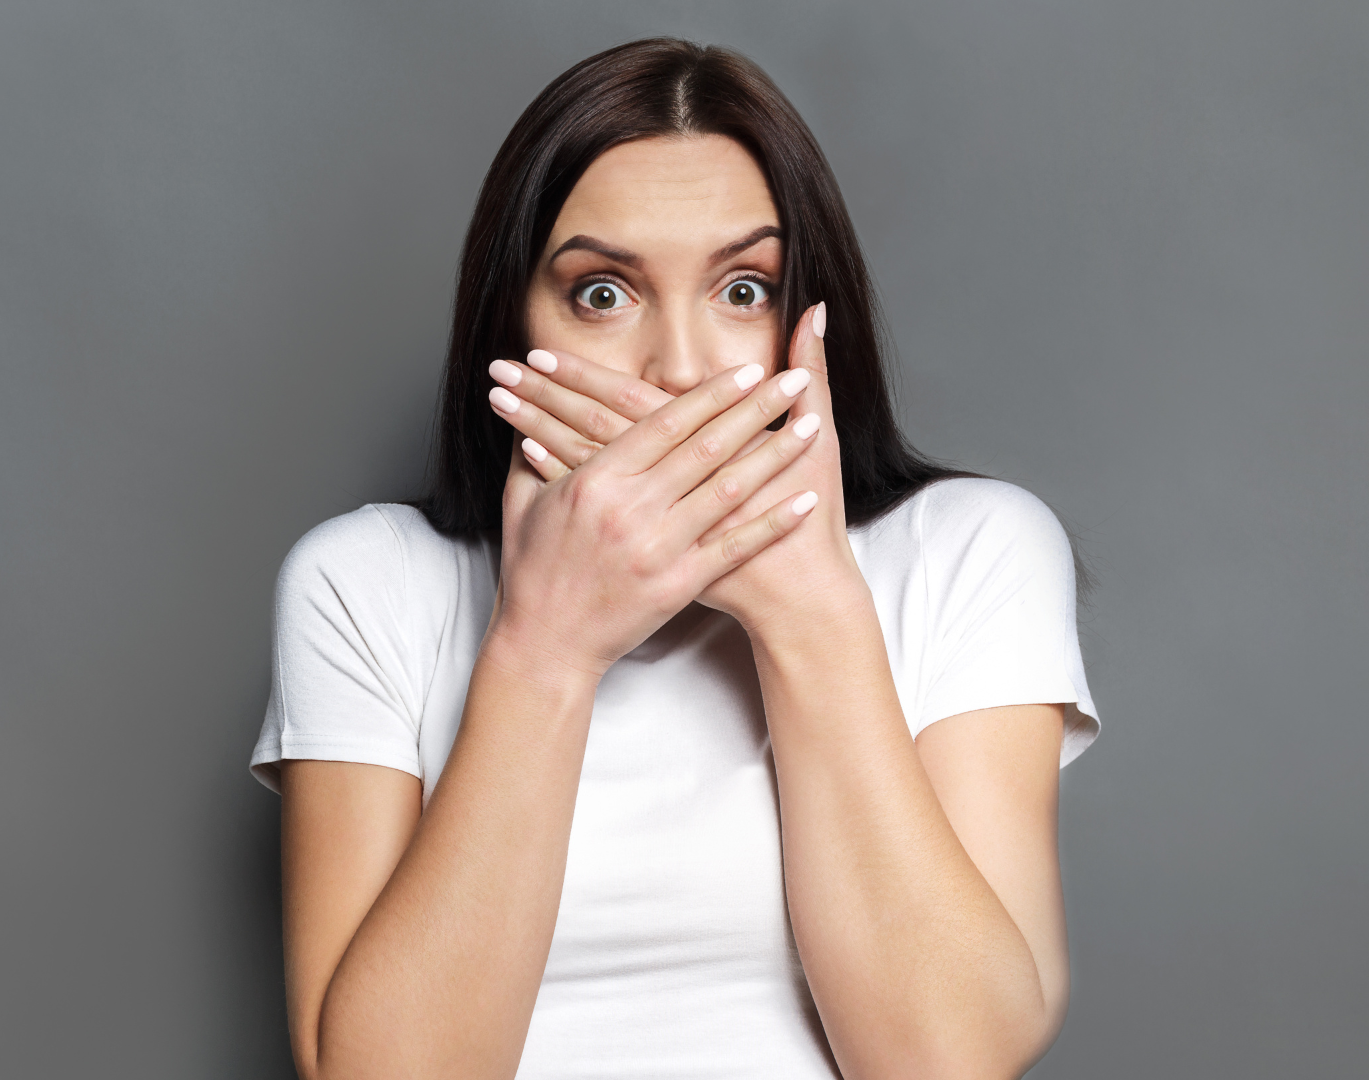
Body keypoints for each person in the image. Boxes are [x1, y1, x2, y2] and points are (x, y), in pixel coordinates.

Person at [249, 38, 1097, 1080]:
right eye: (604, 294)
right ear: (509, 323)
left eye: (743, 290)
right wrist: (543, 647)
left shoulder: (971, 551)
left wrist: (809, 610)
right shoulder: (365, 582)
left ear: (807, 319)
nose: (684, 369)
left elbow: (950, 1058)